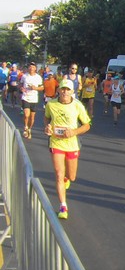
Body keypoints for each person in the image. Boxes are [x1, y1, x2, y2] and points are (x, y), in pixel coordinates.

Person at [44, 79, 91, 220]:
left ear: (72, 91)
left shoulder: (77, 105)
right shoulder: (51, 104)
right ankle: (63, 206)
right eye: (63, 89)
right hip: (56, 142)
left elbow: (87, 125)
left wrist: (74, 132)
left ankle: (67, 178)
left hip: (72, 144)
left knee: (71, 176)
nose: (65, 92)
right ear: (59, 90)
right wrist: (47, 127)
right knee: (58, 174)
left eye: (68, 89)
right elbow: (47, 118)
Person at [20, 62, 44, 139]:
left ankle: (30, 129)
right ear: (28, 68)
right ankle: (25, 127)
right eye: (30, 67)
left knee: (32, 117)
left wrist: (35, 88)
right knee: (26, 114)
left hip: (34, 99)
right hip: (25, 97)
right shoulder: (24, 76)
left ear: (35, 68)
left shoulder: (38, 77)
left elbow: (42, 88)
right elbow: (20, 84)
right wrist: (21, 88)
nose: (31, 68)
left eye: (33, 67)